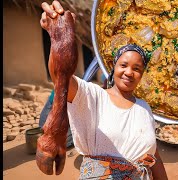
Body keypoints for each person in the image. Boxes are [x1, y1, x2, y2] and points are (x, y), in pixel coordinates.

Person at [40, 1, 168, 179]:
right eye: (123, 65)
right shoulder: (93, 96)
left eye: (137, 69)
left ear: (141, 75)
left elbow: (154, 155)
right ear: (113, 67)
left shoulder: (144, 108)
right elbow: (60, 78)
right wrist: (59, 39)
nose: (129, 72)